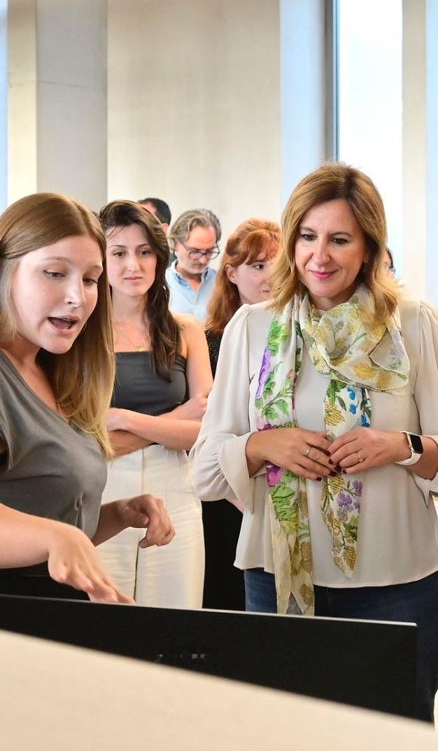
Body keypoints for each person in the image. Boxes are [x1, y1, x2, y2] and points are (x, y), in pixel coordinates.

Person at [192, 162, 438, 722]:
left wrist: (401, 445)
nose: (319, 256)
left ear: (370, 247)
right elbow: (204, 468)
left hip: (395, 584)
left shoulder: (416, 326)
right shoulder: (252, 328)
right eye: (307, 236)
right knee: (287, 747)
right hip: (275, 579)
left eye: (339, 239)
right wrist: (261, 446)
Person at [0, 192, 175, 602]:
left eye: (90, 279)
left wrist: (115, 514)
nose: (78, 297)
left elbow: (46, 533)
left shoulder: (55, 376)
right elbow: (46, 539)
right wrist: (55, 536)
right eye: (54, 273)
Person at [97, 200, 213, 607]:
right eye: (120, 253)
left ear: (160, 257)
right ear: (102, 259)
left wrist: (123, 418)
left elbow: (205, 429)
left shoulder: (185, 329)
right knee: (101, 634)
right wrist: (173, 421)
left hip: (176, 490)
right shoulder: (81, 336)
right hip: (101, 492)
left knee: (174, 628)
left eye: (145, 252)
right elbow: (87, 442)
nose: (134, 265)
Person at [201, 217, 281, 610]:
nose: (270, 277)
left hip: (276, 492)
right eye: (258, 265)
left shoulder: (296, 334)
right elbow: (207, 427)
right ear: (231, 272)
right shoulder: (212, 340)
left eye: (277, 264)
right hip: (225, 494)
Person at [166, 208, 222, 322]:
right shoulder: (159, 285)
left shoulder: (223, 285)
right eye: (195, 251)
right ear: (176, 243)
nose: (202, 260)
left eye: (209, 251)